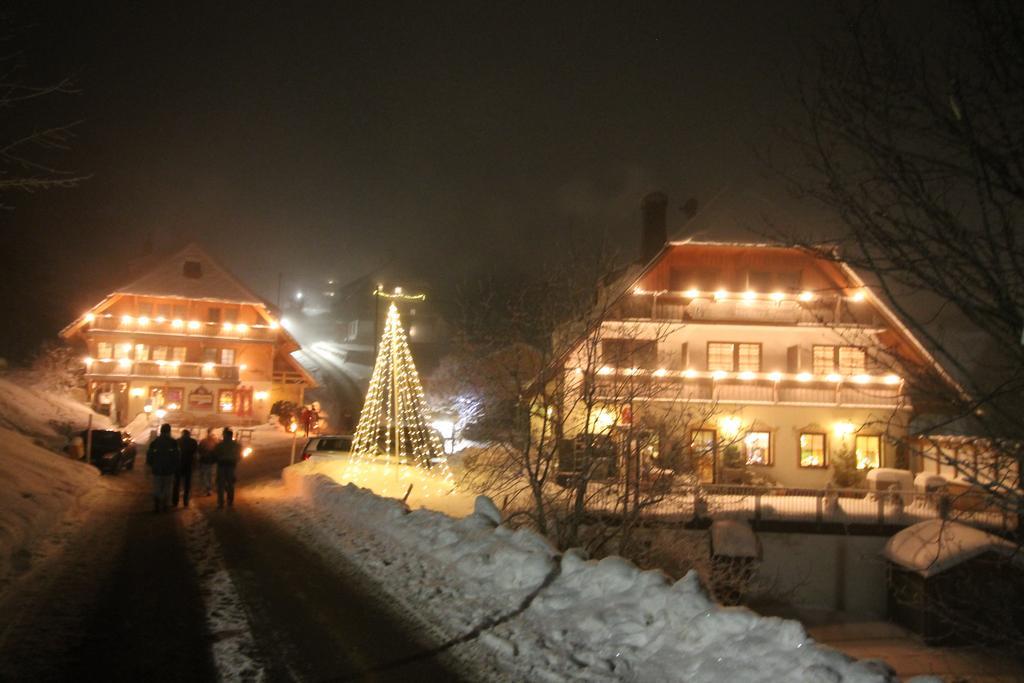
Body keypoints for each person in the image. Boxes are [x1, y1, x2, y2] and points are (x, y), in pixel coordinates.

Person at [146, 424, 180, 513]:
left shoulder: (155, 442)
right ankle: (165, 506)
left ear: (161, 431)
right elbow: (177, 456)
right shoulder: (173, 442)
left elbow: (149, 455)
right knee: (167, 488)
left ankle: (157, 505)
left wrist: (151, 465)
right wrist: (175, 466)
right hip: (169, 470)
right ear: (169, 431)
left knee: (157, 487)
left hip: (157, 469)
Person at [213, 427, 242, 509]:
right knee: (230, 484)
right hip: (231, 466)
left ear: (225, 435)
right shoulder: (237, 445)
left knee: (220, 485)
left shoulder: (219, 445)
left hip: (221, 465)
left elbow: (215, 454)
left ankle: (220, 502)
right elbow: (239, 456)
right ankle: (230, 501)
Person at [172, 428, 198, 507]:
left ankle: (175, 501)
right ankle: (185, 501)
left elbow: (174, 454)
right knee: (187, 484)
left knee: (177, 484)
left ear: (182, 434)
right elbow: (195, 454)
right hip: (188, 464)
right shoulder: (193, 442)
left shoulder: (177, 441)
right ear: (189, 434)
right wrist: (195, 464)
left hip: (179, 465)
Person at [197, 428, 219, 496]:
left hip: (205, 461)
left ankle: (207, 489)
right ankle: (208, 489)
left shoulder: (203, 441)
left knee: (206, 475)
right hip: (211, 461)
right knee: (210, 475)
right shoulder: (215, 442)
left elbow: (199, 450)